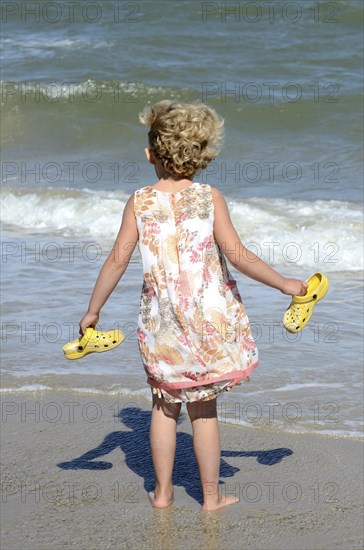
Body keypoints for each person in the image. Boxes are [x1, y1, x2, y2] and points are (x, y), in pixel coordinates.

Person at [79, 100, 308, 511]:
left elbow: (117, 259)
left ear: (151, 154)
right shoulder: (209, 197)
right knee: (203, 409)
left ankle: (163, 495)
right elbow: (237, 254)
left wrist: (93, 310)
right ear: (201, 156)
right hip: (208, 320)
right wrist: (285, 284)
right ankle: (211, 496)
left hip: (161, 321)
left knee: (164, 405)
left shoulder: (139, 202)